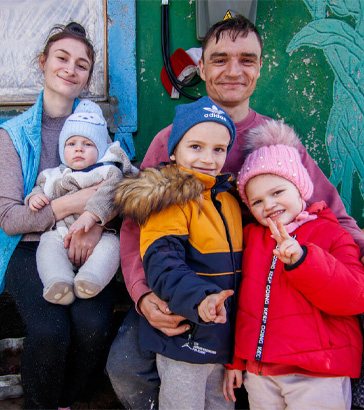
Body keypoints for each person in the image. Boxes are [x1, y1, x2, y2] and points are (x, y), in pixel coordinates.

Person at [106, 14, 364, 409]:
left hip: (260, 286)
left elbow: (331, 210)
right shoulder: (173, 138)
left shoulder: (275, 142)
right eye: (220, 58)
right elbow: (134, 222)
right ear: (203, 67)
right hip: (178, 277)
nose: (233, 70)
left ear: (261, 67)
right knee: (126, 367)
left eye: (247, 59)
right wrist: (142, 294)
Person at [222, 119, 364, 409]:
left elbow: (357, 296)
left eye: (277, 192)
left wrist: (304, 261)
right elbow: (246, 307)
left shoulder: (330, 232)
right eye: (256, 201)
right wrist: (237, 360)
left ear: (300, 188)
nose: (268, 205)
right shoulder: (253, 239)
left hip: (318, 372)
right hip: (261, 372)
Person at [0, 22, 117, 409]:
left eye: (82, 65)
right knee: (50, 331)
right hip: (29, 247)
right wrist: (68, 205)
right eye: (62, 58)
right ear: (43, 63)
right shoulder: (12, 135)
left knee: (94, 326)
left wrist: (95, 222)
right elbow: (10, 218)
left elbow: (122, 189)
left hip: (91, 240)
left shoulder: (103, 131)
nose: (71, 69)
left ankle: (65, 401)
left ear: (87, 79)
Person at [114, 96, 241, 409]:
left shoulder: (229, 201)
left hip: (221, 339)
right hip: (184, 339)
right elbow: (162, 265)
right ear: (173, 152)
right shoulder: (170, 201)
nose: (208, 159)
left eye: (219, 149)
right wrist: (201, 299)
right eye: (195, 147)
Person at [25, 100, 136, 305]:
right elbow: (40, 188)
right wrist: (34, 198)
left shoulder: (107, 170)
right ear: (62, 148)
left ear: (101, 149)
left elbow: (113, 193)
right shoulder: (54, 174)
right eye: (71, 144)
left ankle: (91, 279)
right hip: (62, 233)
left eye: (87, 144)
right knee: (47, 244)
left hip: (100, 233)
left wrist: (91, 215)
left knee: (111, 247)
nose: (78, 149)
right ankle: (58, 281)